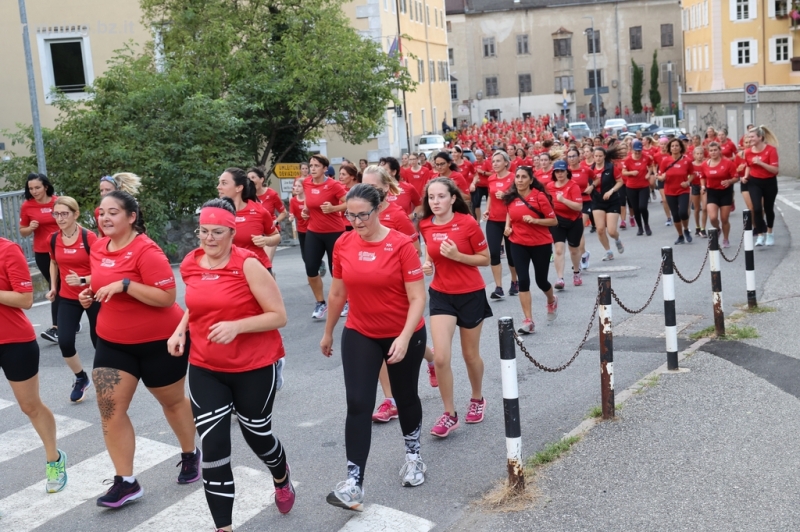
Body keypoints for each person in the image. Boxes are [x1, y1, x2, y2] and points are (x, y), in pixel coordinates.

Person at [169, 198, 294, 531]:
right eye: (203, 232)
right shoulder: (191, 264)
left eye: (217, 232)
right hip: (205, 366)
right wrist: (180, 330)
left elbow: (278, 316)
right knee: (213, 445)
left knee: (258, 435)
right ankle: (223, 526)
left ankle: (281, 476)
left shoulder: (248, 265)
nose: (209, 239)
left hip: (253, 366)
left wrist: (237, 326)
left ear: (232, 232)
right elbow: (197, 305)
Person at [79, 191, 200, 508]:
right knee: (109, 409)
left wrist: (125, 285)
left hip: (159, 342)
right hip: (113, 341)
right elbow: (100, 278)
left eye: (113, 212)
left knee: (172, 402)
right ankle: (126, 481)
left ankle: (190, 452)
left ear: (131, 217)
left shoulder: (147, 251)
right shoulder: (98, 247)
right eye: (101, 212)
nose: (105, 218)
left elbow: (166, 298)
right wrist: (91, 293)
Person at [320, 184, 428, 510]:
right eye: (349, 215)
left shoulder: (400, 245)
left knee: (405, 395)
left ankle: (413, 456)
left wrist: (405, 337)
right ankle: (354, 483)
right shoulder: (343, 243)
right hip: (361, 331)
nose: (355, 221)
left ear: (378, 209)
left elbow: (417, 297)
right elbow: (338, 293)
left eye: (362, 214)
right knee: (357, 403)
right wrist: (327, 333)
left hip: (403, 332)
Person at [420, 177, 492, 437]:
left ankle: (477, 398)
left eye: (441, 196)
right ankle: (449, 414)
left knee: (470, 355)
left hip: (471, 294)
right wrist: (428, 264)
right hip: (441, 295)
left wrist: (458, 257)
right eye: (431, 197)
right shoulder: (425, 224)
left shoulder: (467, 223)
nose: (435, 201)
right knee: (440, 357)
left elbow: (486, 259)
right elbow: (430, 252)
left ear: (452, 198)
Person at [1, 236, 68, 493]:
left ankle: (54, 459)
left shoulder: (8, 250)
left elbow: (25, 299)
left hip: (14, 341)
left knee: (30, 405)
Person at [47, 197, 99, 402]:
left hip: (93, 295)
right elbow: (53, 262)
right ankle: (81, 378)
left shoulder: (89, 238)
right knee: (65, 341)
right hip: (68, 297)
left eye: (64, 214)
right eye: (56, 214)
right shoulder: (53, 239)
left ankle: (105, 378)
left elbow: (102, 271)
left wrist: (83, 280)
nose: (59, 218)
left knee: (99, 342)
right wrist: (53, 287)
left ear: (75, 214)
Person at [503, 166, 558, 334]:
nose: (519, 180)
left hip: (541, 244)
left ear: (531, 180)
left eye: (523, 177)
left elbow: (553, 221)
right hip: (518, 243)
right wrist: (507, 227)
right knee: (524, 280)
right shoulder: (511, 197)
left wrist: (535, 221)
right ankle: (528, 320)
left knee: (541, 280)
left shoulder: (539, 196)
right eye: (517, 177)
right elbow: (509, 213)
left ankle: (551, 299)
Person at [302, 155, 347, 319]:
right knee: (311, 269)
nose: (312, 169)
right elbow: (308, 200)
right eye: (311, 165)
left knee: (337, 271)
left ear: (324, 169)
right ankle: (320, 303)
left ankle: (345, 300)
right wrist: (306, 211)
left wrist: (334, 209)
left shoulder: (333, 185)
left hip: (334, 232)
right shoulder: (306, 182)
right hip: (314, 231)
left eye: (316, 166)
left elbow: (349, 202)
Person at [19, 173, 60, 343]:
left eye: (37, 187)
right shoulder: (27, 206)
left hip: (61, 249)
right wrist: (30, 227)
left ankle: (57, 327)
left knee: (57, 286)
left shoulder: (57, 202)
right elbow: (22, 231)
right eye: (31, 188)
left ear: (46, 187)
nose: (34, 191)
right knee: (55, 285)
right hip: (43, 252)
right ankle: (65, 321)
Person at [217, 168, 281, 275]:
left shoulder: (259, 211)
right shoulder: (217, 213)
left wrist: (266, 240)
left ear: (238, 188)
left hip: (258, 268)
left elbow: (276, 236)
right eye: (219, 183)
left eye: (224, 183)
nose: (218, 187)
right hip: (229, 271)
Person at [482, 150, 519, 298]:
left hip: (510, 220)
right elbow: (491, 196)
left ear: (505, 162)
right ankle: (498, 287)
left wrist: (506, 195)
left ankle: (514, 281)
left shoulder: (513, 177)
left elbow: (518, 196)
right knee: (494, 253)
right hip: (493, 220)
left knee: (511, 254)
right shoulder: (491, 179)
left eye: (498, 161)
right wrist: (487, 210)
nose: (495, 164)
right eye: (493, 162)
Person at [545, 161, 584, 289]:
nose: (560, 174)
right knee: (558, 250)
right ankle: (560, 278)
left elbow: (578, 207)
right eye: (557, 171)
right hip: (557, 222)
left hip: (574, 221)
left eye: (562, 171)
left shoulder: (573, 186)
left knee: (574, 250)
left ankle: (576, 272)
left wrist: (563, 200)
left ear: (567, 171)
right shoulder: (549, 186)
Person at [743, 126, 780, 246]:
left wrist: (760, 163)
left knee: (768, 209)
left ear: (760, 137)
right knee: (757, 209)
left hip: (769, 182)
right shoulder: (748, 152)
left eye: (752, 137)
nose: (750, 139)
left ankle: (770, 233)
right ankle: (760, 235)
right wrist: (745, 176)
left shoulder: (771, 150)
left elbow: (775, 170)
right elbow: (749, 165)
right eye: (749, 137)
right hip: (755, 182)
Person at [589, 147, 626, 261]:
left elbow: (620, 182)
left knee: (611, 231)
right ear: (593, 157)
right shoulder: (590, 170)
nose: (598, 158)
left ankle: (617, 239)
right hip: (597, 201)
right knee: (600, 229)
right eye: (596, 156)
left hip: (612, 201)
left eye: (600, 156)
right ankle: (608, 251)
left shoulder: (611, 167)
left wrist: (611, 191)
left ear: (604, 156)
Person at [700, 142, 738, 248]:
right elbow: (702, 177)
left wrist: (730, 181)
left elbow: (736, 177)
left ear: (719, 151)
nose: (713, 152)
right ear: (708, 152)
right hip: (712, 192)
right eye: (711, 150)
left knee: (724, 219)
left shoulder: (727, 163)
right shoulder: (705, 164)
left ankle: (726, 239)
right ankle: (718, 229)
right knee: (712, 218)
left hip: (725, 192)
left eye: (715, 150)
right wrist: (703, 186)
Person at [657, 138, 695, 245]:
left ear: (680, 147)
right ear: (669, 148)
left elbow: (692, 174)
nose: (674, 148)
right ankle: (680, 235)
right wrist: (662, 177)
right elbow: (659, 176)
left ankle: (686, 229)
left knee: (683, 212)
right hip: (669, 191)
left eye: (677, 145)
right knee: (675, 215)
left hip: (683, 190)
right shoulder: (665, 161)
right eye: (672, 146)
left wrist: (687, 182)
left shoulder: (687, 160)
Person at [247, 167, 288, 262]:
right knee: (256, 262)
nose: (251, 181)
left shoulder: (272, 194)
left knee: (266, 262)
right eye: (249, 179)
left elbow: (283, 212)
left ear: (261, 179)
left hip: (270, 232)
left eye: (253, 177)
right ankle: (271, 276)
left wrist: (275, 222)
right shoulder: (247, 196)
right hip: (255, 233)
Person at [567, 147, 594, 268]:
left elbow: (597, 179)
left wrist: (592, 187)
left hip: (585, 202)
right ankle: (583, 255)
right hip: (570, 204)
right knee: (576, 233)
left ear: (579, 157)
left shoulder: (586, 169)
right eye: (569, 156)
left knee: (580, 229)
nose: (571, 159)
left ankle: (581, 257)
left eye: (574, 156)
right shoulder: (565, 171)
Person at [622, 140, 654, 236]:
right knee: (635, 209)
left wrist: (648, 173)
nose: (637, 153)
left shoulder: (646, 157)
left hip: (643, 186)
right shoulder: (628, 160)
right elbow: (623, 172)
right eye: (635, 151)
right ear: (632, 150)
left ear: (641, 150)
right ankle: (640, 227)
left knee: (643, 207)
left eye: (639, 151)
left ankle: (646, 225)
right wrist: (631, 173)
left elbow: (651, 165)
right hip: (631, 187)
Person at [95, 173, 142, 237]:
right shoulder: (98, 211)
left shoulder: (127, 208)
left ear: (117, 190)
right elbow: (101, 234)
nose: (104, 193)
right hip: (107, 245)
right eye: (101, 190)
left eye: (108, 190)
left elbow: (138, 230)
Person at [690, 146, 708, 237]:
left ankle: (703, 229)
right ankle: (697, 226)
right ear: (694, 155)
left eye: (701, 154)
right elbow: (688, 176)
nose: (699, 155)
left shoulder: (706, 163)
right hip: (695, 186)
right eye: (697, 154)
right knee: (697, 209)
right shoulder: (691, 165)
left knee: (705, 208)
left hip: (704, 187)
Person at [469, 149, 491, 221]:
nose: (477, 157)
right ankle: (478, 220)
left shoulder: (487, 162)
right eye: (476, 156)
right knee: (476, 204)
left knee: (490, 204)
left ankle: (489, 217)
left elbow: (493, 173)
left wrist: (483, 172)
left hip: (487, 186)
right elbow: (472, 173)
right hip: (479, 186)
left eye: (479, 156)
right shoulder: (474, 163)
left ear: (482, 156)